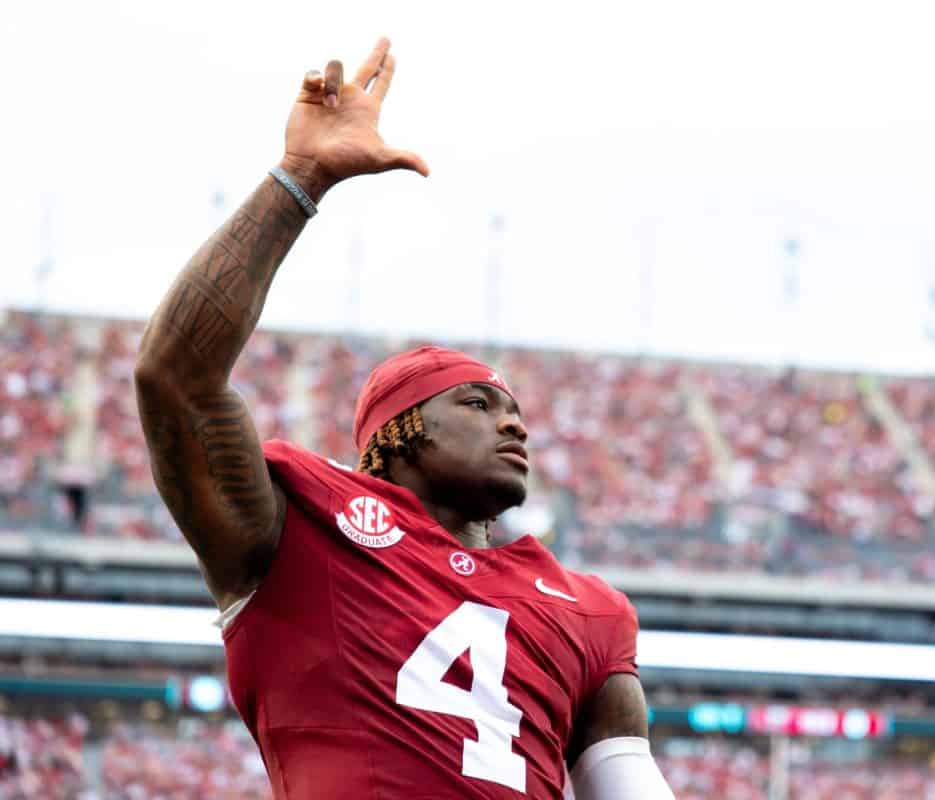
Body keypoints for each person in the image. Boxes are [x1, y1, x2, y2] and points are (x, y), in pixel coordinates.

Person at [134, 37, 674, 800]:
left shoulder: (591, 610)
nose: (513, 426)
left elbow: (628, 787)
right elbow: (176, 378)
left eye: (515, 411)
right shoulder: (303, 527)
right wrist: (301, 178)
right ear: (397, 430)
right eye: (479, 404)